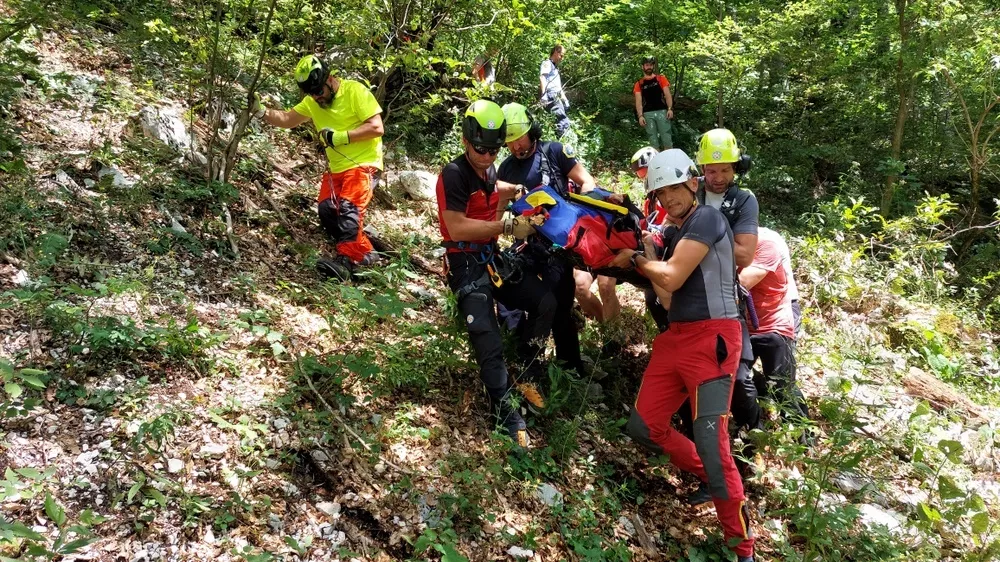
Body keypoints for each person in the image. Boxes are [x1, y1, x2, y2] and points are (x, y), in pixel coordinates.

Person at [615, 149, 756, 562]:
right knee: (644, 425)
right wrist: (650, 253)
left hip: (714, 340)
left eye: (675, 188)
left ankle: (742, 547)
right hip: (676, 338)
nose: (668, 198)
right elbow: (667, 292)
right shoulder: (676, 234)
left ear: (692, 183)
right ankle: (711, 477)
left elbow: (671, 276)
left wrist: (639, 260)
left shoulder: (709, 219)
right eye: (660, 193)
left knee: (714, 444)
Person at [436, 99, 555, 447]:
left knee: (545, 301)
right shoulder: (454, 174)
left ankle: (529, 368)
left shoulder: (488, 169)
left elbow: (492, 188)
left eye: (493, 149)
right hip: (465, 263)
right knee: (486, 337)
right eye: (481, 149)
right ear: (466, 140)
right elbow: (455, 227)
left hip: (492, 258)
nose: (488, 156)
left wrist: (517, 192)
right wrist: (505, 226)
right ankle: (505, 410)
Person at [252, 55, 384, 281]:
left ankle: (346, 262)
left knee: (348, 210)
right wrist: (260, 111)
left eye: (319, 91)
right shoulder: (313, 102)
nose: (316, 97)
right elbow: (287, 119)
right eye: (311, 93)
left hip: (363, 165)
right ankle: (367, 254)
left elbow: (376, 127)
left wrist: (341, 137)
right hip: (336, 168)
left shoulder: (355, 92)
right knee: (327, 210)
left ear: (330, 79)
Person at [498, 103, 592, 372]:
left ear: (532, 131)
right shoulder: (505, 169)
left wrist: (577, 218)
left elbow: (587, 182)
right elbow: (498, 210)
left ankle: (569, 368)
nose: (516, 147)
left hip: (557, 247)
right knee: (514, 298)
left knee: (560, 305)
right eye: (510, 142)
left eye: (520, 139)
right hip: (524, 244)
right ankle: (520, 358)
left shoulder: (554, 152)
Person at [740, 227, 809, 419]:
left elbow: (741, 282)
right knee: (739, 378)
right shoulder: (726, 241)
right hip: (746, 323)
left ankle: (803, 438)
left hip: (776, 318)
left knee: (782, 385)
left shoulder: (766, 241)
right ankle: (759, 409)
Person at [633, 57, 674, 151]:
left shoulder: (660, 79)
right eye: (647, 65)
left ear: (653, 66)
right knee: (653, 141)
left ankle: (670, 162)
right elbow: (638, 102)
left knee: (667, 138)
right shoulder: (639, 84)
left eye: (651, 65)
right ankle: (657, 163)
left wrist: (670, 108)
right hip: (647, 114)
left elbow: (667, 95)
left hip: (662, 112)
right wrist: (640, 116)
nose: (649, 67)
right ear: (642, 67)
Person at [539, 45, 571, 138]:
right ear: (556, 52)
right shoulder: (547, 63)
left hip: (555, 95)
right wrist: (544, 95)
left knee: (560, 120)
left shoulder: (555, 68)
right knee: (562, 122)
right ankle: (563, 144)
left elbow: (558, 87)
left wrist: (565, 100)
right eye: (561, 55)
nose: (562, 58)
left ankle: (560, 140)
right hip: (551, 95)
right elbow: (542, 77)